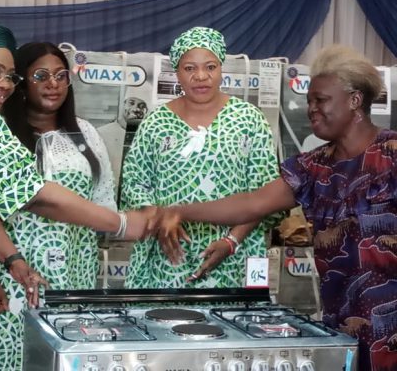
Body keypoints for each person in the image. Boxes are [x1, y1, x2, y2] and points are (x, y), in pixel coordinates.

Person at [0, 24, 147, 371]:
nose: (5, 84)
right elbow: (36, 195)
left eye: (9, 76)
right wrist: (123, 224)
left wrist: (13, 261)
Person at [153, 45, 397, 371]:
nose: (311, 109)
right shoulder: (312, 166)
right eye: (309, 101)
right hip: (341, 328)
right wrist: (179, 211)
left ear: (354, 100)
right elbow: (252, 203)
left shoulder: (391, 154)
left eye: (321, 100)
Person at [0, 42, 117, 370]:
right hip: (11, 279)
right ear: (21, 83)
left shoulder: (86, 134)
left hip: (74, 278)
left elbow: (103, 205)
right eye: (41, 76)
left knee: (64, 360)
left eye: (60, 75)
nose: (53, 84)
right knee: (9, 360)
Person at [120, 26, 282, 288]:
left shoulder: (249, 119)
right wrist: (159, 220)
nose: (201, 76)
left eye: (210, 67)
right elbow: (135, 183)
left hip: (235, 257)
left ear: (221, 69)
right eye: (189, 68)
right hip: (169, 257)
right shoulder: (156, 122)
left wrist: (231, 241)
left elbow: (265, 193)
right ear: (177, 73)